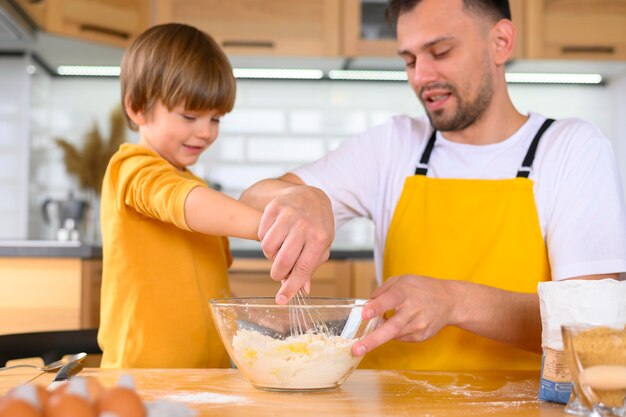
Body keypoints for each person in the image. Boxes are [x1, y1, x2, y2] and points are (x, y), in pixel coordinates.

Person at [240, 0, 626, 370]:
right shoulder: (395, 145)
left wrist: (456, 301)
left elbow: (593, 326)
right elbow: (254, 199)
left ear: (501, 42)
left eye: (440, 52)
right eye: (409, 60)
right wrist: (301, 196)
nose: (420, 76)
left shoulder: (570, 149)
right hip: (396, 402)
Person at [98, 23, 262, 368]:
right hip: (143, 378)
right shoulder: (131, 169)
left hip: (206, 377)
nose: (205, 132)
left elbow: (205, 284)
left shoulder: (192, 182)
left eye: (216, 118)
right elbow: (183, 200)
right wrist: (274, 227)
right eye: (190, 116)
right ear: (138, 108)